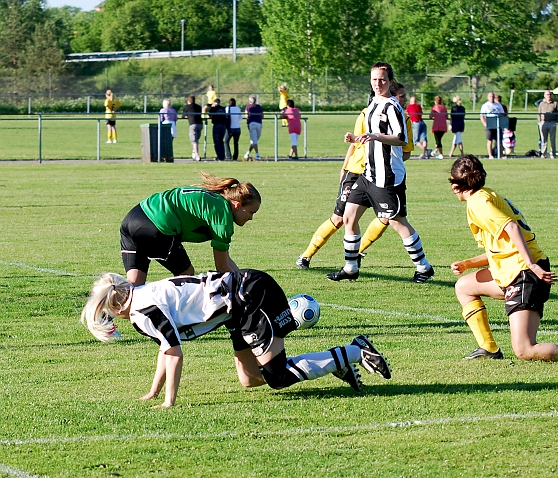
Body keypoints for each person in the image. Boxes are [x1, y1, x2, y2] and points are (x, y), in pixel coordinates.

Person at [81, 269, 392, 407]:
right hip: (237, 307)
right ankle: (335, 361)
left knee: (277, 378)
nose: (112, 320)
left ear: (117, 306)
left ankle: (354, 351)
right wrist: (153, 392)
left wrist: (169, 401)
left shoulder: (143, 311)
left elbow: (174, 353)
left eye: (108, 314)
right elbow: (166, 350)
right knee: (250, 379)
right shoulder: (140, 300)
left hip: (251, 295)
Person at [448, 155, 558, 363]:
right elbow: (501, 247)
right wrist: (468, 264)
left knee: (524, 349)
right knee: (464, 286)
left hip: (524, 272)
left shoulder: (478, 203)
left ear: (455, 184)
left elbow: (512, 228)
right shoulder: (486, 196)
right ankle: (488, 348)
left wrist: (532, 266)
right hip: (513, 270)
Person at [326, 62, 434, 284]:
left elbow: (400, 138)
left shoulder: (392, 107)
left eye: (382, 80)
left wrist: (375, 136)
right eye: (374, 79)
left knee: (397, 221)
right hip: (368, 174)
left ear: (390, 81)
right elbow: (371, 137)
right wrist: (356, 139)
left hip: (388, 176)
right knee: (349, 216)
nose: (378, 83)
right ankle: (351, 267)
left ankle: (424, 268)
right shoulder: (373, 103)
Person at [295, 83, 414, 270]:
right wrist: (345, 167)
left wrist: (389, 161)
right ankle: (306, 256)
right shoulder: (368, 113)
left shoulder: (405, 120)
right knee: (340, 218)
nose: (404, 100)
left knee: (386, 218)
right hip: (357, 170)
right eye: (401, 96)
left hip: (380, 175)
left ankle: (356, 256)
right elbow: (356, 141)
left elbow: (406, 151)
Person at [119, 172, 260, 286]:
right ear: (237, 205)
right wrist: (245, 290)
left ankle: (101, 314)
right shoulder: (223, 214)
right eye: (251, 212)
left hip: (133, 218)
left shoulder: (216, 200)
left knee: (134, 284)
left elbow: (226, 260)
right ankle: (174, 317)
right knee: (186, 275)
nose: (251, 218)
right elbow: (222, 268)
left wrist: (243, 280)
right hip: (156, 225)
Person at [479, 92, 505, 159]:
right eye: (490, 96)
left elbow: (502, 114)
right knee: (489, 140)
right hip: (489, 125)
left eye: (493, 96)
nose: (492, 98)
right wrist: (485, 124)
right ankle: (490, 155)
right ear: (488, 97)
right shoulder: (485, 105)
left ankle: (501, 154)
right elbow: (482, 116)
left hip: (498, 124)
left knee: (499, 140)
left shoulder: (498, 105)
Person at [538, 90, 558, 159]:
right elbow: (539, 113)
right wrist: (539, 122)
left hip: (552, 123)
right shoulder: (541, 104)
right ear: (545, 95)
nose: (549, 96)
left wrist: (556, 121)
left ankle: (553, 153)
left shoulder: (555, 103)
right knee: (543, 139)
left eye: (550, 94)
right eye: (547, 94)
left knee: (552, 139)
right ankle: (543, 153)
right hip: (543, 122)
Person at [181, 95, 203, 161]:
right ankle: (194, 154)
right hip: (200, 124)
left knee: (194, 141)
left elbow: (183, 116)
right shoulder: (198, 107)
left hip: (193, 124)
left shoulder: (187, 107)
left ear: (188, 100)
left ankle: (197, 155)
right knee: (196, 140)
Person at [244, 95, 264, 161]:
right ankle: (252, 153)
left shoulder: (248, 106)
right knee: (254, 140)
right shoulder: (259, 107)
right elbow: (262, 116)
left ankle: (254, 154)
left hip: (252, 123)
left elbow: (246, 115)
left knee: (254, 141)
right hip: (259, 123)